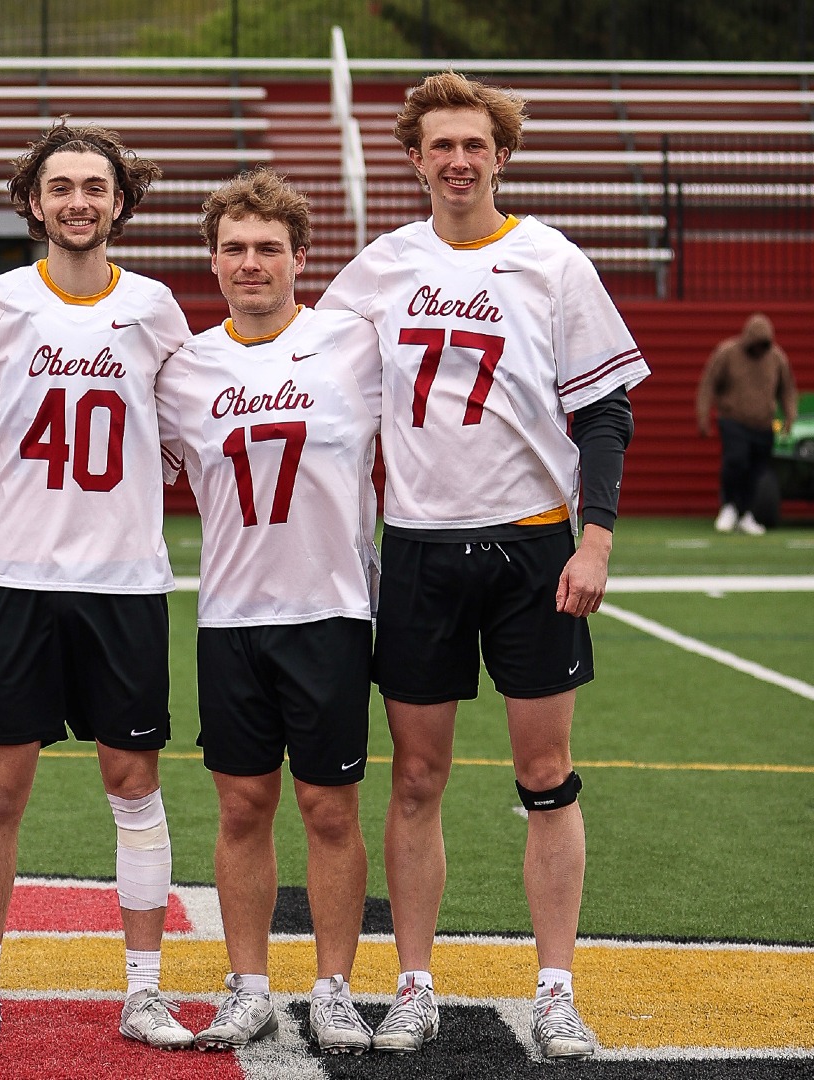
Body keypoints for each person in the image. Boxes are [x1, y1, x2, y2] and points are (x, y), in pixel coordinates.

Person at [318, 71, 644, 1060]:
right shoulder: (379, 268)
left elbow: (607, 410)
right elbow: (295, 366)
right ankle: (414, 983)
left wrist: (596, 538)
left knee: (545, 772)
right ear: (413, 159)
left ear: (501, 156)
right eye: (440, 146)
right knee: (415, 777)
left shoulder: (551, 262)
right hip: (419, 550)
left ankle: (556, 989)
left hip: (534, 548)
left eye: (475, 145)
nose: (458, 161)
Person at [0, 122, 193, 1052]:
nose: (78, 201)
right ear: (33, 200)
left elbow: (185, 430)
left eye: (95, 185)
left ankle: (142, 989)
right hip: (17, 576)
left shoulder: (157, 307)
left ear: (120, 201)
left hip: (124, 582)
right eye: (61, 186)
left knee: (134, 785)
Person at [155, 170, 379, 1056]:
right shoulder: (186, 369)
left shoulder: (354, 345)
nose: (252, 263)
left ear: (299, 258)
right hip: (232, 617)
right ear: (213, 259)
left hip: (329, 608)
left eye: (269, 249)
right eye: (236, 248)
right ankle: (247, 985)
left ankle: (332, 988)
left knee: (330, 808)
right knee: (243, 805)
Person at [698, 313, 796, 536]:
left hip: (763, 424)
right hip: (733, 420)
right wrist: (703, 416)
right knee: (736, 461)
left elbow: (787, 389)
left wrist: (790, 416)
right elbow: (708, 384)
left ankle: (747, 513)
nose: (760, 349)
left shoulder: (777, 358)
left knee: (757, 472)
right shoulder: (727, 353)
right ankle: (729, 506)